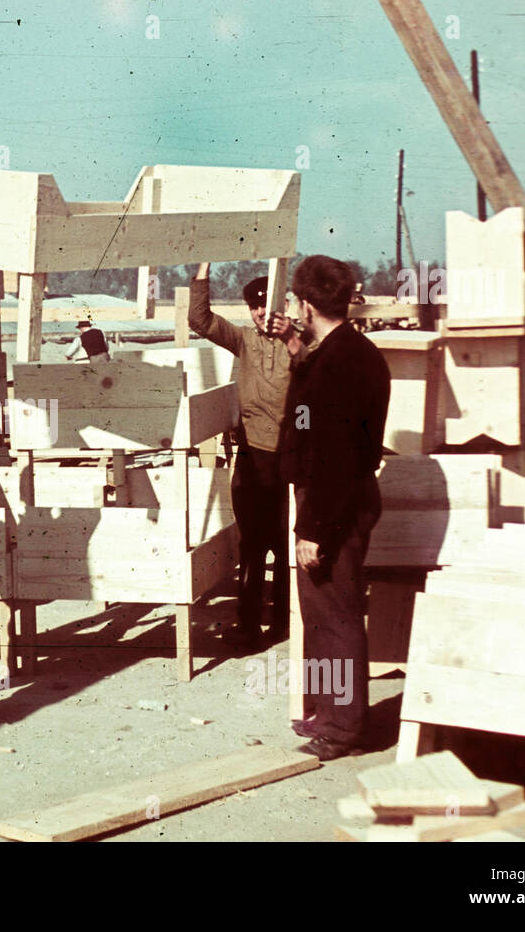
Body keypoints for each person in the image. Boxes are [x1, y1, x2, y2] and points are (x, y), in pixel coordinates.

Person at [278, 255, 391, 761]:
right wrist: (295, 349)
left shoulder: (337, 363)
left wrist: (312, 529)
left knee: (337, 616)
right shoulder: (349, 351)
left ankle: (345, 727)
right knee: (321, 616)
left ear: (305, 304)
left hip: (333, 504)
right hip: (340, 496)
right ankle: (328, 712)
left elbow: (331, 454)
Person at [188, 263, 308, 646]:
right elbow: (200, 320)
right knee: (252, 543)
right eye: (254, 306)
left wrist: (291, 336)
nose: (261, 313)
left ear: (281, 306)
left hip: (288, 458)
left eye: (266, 305)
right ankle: (249, 625)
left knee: (285, 542)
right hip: (252, 456)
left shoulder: (297, 341)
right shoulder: (242, 340)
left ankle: (283, 623)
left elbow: (314, 366)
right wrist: (203, 273)